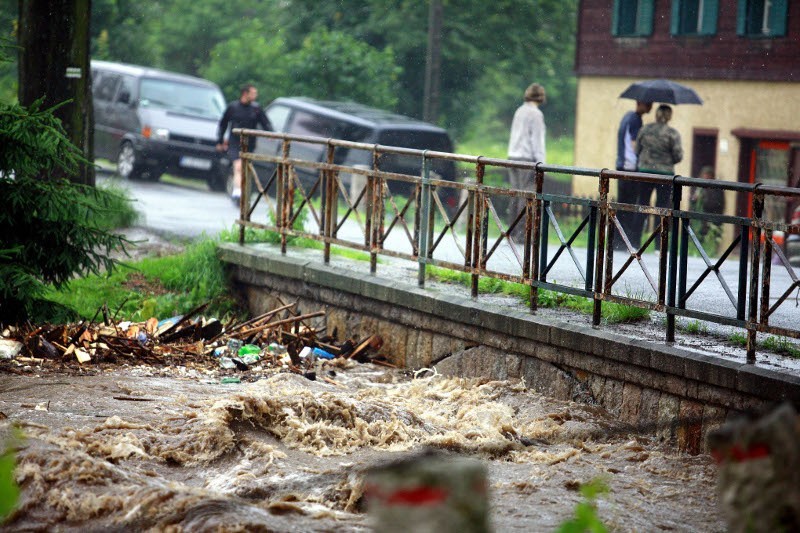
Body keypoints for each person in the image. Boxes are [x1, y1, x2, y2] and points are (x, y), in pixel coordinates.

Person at [216, 84, 272, 203]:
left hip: (250, 144)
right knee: (238, 166)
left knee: (245, 169)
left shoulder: (256, 108)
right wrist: (220, 140)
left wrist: (270, 135)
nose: (255, 96)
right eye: (253, 93)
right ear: (245, 94)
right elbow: (223, 124)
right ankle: (237, 191)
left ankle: (245, 191)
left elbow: (265, 123)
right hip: (234, 142)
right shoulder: (233, 107)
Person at [635, 104, 683, 241]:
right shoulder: (672, 134)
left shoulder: (644, 129)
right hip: (665, 175)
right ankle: (659, 245)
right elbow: (678, 156)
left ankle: (634, 242)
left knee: (642, 205)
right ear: (669, 116)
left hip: (645, 172)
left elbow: (637, 150)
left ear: (656, 114)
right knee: (662, 208)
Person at [506, 83, 546, 236]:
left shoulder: (519, 111)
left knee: (515, 195)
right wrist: (542, 163)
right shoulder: (536, 114)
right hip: (527, 158)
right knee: (527, 195)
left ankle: (511, 231)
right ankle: (523, 233)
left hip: (513, 157)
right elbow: (537, 140)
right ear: (541, 97)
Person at [614, 100, 652, 250]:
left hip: (621, 165)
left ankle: (617, 241)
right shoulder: (636, 119)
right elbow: (634, 143)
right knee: (629, 206)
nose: (650, 106)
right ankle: (624, 242)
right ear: (640, 103)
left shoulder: (627, 117)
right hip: (631, 168)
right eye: (648, 104)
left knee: (622, 205)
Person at [690, 165, 725, 236]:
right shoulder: (699, 187)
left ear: (712, 177)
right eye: (705, 175)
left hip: (712, 219)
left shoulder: (717, 188)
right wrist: (694, 199)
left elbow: (716, 204)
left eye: (708, 176)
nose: (706, 178)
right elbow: (693, 202)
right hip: (698, 219)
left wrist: (703, 199)